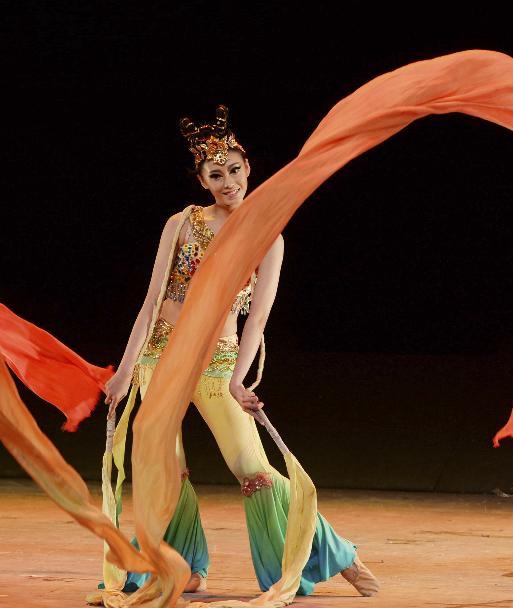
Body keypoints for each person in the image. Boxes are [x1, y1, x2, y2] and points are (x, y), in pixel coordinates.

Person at [98, 105, 379, 597]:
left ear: (248, 168)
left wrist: (237, 379)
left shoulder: (269, 238)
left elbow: (258, 319)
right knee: (164, 469)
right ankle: (179, 568)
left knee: (254, 470)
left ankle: (335, 555)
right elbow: (151, 303)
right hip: (159, 361)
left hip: (218, 363)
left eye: (233, 170)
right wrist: (123, 374)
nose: (227, 181)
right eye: (215, 174)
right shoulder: (180, 224)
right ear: (202, 180)